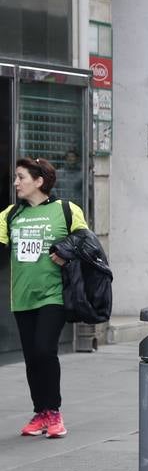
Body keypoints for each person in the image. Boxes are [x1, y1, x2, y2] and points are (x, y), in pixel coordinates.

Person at [0, 158, 89, 439]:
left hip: (54, 295)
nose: (16, 183)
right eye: (16, 177)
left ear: (39, 181)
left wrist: (66, 250)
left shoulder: (65, 210)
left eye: (21, 177)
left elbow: (86, 242)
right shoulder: (9, 215)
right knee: (31, 358)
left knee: (44, 350)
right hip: (22, 297)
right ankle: (40, 413)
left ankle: (54, 412)